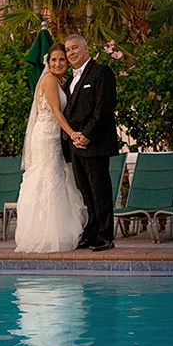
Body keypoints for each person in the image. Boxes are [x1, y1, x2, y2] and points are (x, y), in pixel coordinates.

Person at [15, 44, 87, 253]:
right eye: (53, 60)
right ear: (48, 62)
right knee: (47, 179)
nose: (57, 63)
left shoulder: (61, 82)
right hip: (47, 136)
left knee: (56, 179)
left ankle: (59, 233)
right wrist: (73, 133)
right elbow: (56, 111)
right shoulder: (48, 80)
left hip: (54, 136)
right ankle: (43, 235)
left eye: (62, 60)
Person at [62, 34, 119, 252]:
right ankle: (92, 233)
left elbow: (103, 108)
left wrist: (87, 135)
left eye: (75, 48)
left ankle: (105, 236)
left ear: (86, 48)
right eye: (67, 50)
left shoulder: (101, 72)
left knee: (100, 191)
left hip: (94, 144)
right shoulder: (70, 79)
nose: (71, 53)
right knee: (85, 193)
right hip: (74, 146)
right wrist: (71, 137)